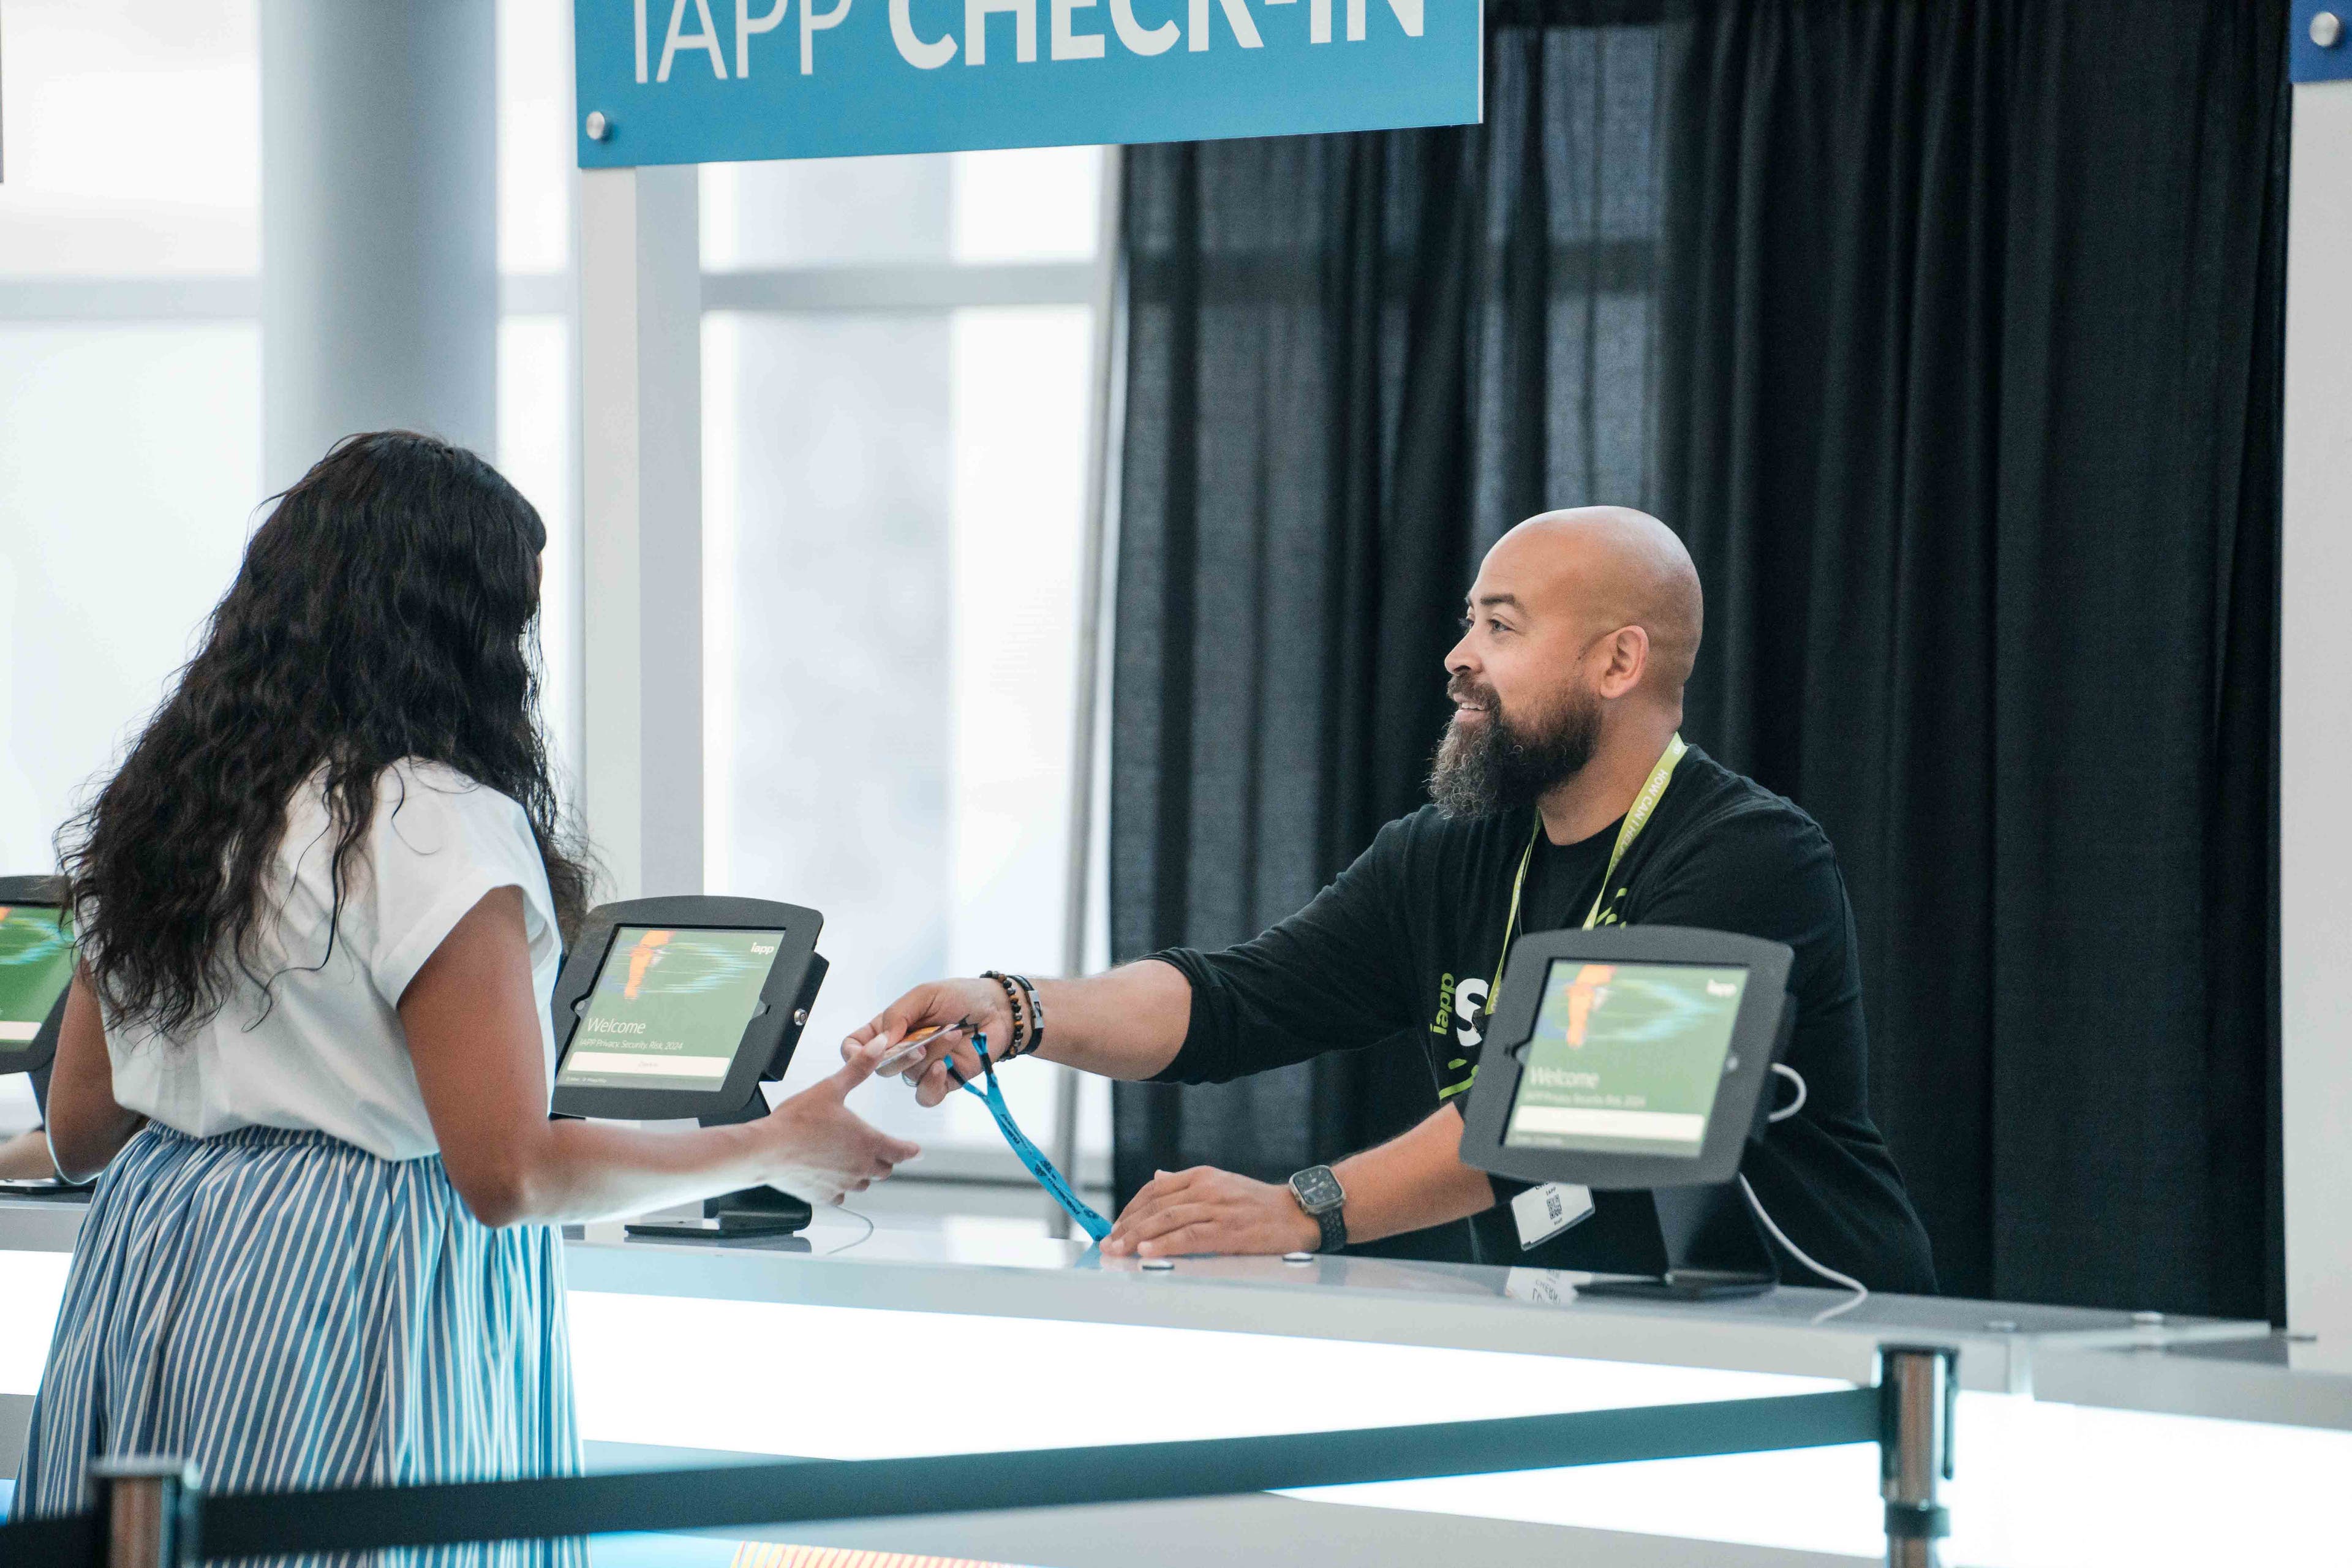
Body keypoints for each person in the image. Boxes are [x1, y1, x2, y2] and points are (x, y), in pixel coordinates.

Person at [12, 433, 919, 1551]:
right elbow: (507, 1173)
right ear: (454, 628)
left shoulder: (162, 812)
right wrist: (775, 1145)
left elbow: (82, 1131)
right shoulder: (432, 821)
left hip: (147, 1263)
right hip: (348, 1288)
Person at [850, 507, 1937, 1292]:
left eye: (1501, 628)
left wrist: (1299, 1209)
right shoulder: (1445, 857)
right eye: (1470, 622)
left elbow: (1556, 1120)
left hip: (1805, 1332)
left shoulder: (1749, 857)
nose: (1459, 657)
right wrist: (1020, 1008)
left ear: (1617, 662)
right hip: (1575, 1329)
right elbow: (1241, 997)